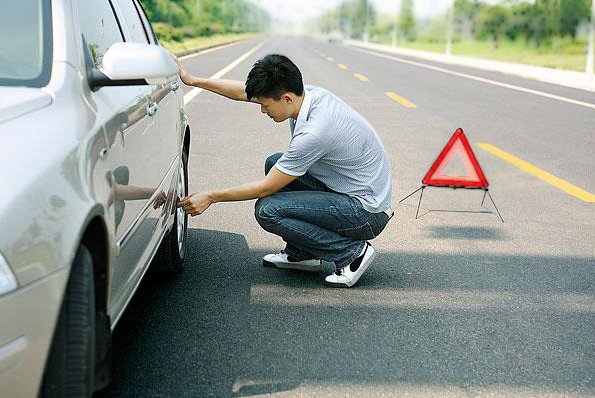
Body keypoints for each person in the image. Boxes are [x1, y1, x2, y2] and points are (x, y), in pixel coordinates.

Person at [173, 53, 393, 288]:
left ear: (286, 98)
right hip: (352, 192)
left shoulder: (315, 132)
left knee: (268, 210)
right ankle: (303, 254)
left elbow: (266, 188)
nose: (262, 111)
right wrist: (193, 80)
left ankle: (351, 253)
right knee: (274, 163)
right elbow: (242, 92)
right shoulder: (307, 95)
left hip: (365, 213)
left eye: (266, 106)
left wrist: (211, 196)